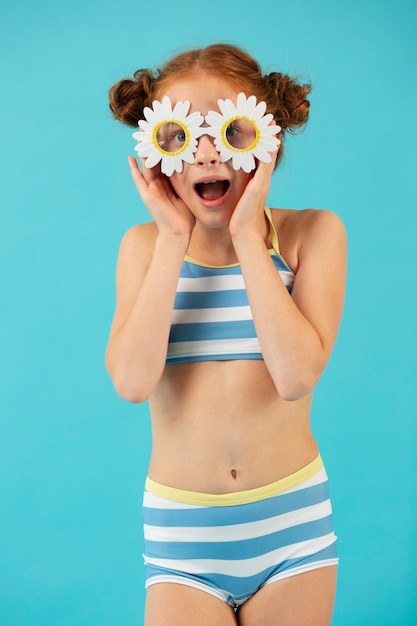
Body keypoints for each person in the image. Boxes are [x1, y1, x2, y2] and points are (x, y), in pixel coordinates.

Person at [106, 43, 347, 626]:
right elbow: (134, 382)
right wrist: (171, 239)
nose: (208, 152)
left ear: (267, 139)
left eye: (230, 132)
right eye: (180, 136)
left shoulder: (311, 236)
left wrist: (247, 236)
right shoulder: (143, 247)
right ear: (156, 151)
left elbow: (294, 377)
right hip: (182, 537)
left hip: (293, 531)